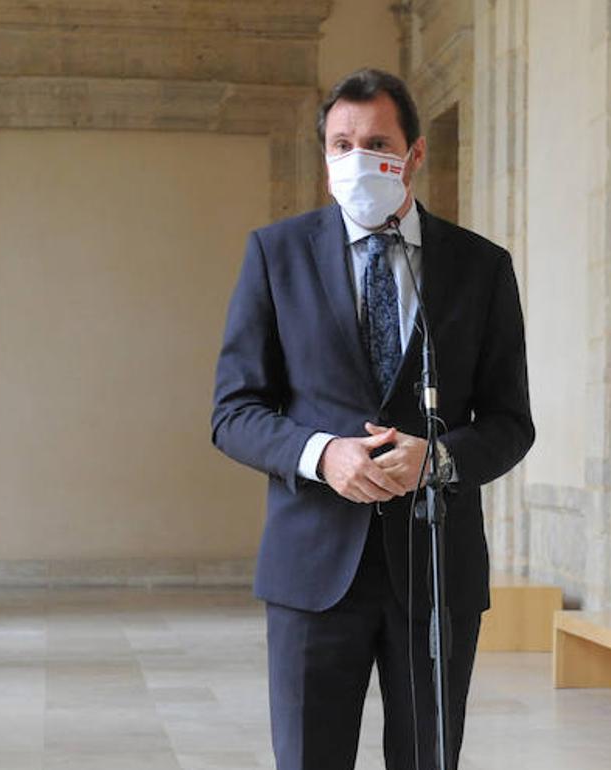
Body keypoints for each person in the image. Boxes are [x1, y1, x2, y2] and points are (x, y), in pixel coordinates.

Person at [211, 68, 533, 770]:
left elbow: (512, 421)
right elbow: (233, 412)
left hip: (436, 570)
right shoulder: (275, 254)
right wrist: (321, 453)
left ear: (414, 154)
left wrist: (438, 459)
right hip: (312, 569)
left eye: (377, 142)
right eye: (341, 143)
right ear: (324, 152)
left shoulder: (481, 268)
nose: (358, 159)